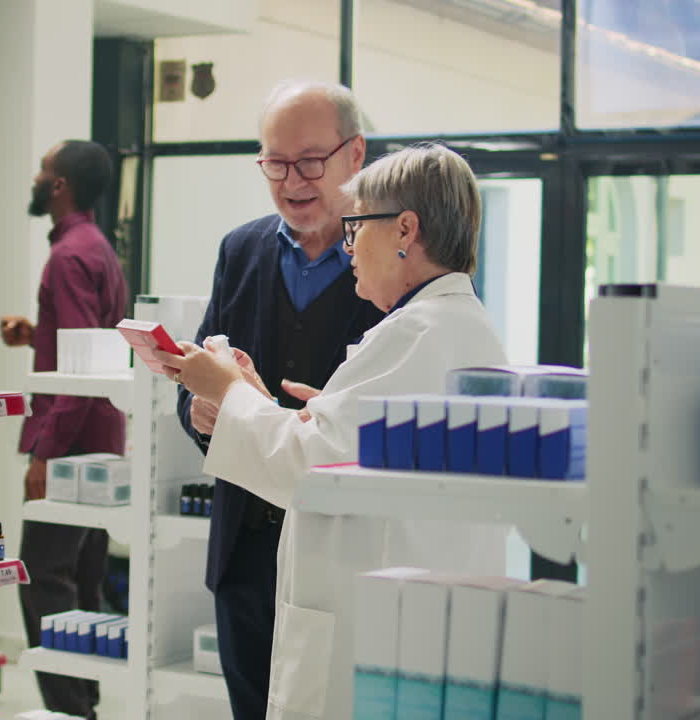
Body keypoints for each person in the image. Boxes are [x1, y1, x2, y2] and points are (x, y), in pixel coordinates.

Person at [158, 143, 509, 720]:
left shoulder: (418, 333)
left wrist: (227, 390)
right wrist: (285, 410)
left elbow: (309, 470)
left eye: (356, 227)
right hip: (414, 608)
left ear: (404, 229)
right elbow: (358, 448)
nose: (349, 248)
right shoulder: (453, 328)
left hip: (381, 619)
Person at [175, 80, 386, 720]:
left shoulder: (396, 261)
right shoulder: (240, 250)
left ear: (356, 155)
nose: (292, 180)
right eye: (275, 163)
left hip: (339, 551)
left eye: (310, 161)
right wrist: (200, 412)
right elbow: (205, 379)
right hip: (245, 547)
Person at [0, 140, 126, 720]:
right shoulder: (96, 247)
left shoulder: (67, 257)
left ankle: (69, 710)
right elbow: (88, 339)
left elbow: (79, 371)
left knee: (43, 578)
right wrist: (36, 333)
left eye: (43, 170)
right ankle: (87, 702)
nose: (35, 176)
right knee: (84, 576)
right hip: (101, 441)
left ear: (59, 187)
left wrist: (44, 455)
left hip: (71, 440)